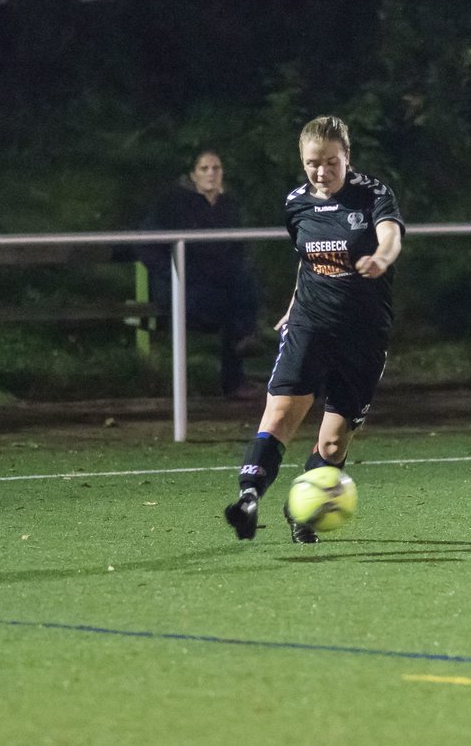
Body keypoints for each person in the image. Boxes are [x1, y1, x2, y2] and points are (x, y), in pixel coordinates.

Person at [224, 115, 404, 543]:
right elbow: (305, 262)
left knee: (333, 443)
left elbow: (392, 235)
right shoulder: (297, 203)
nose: (321, 172)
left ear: (347, 158)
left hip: (363, 332)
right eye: (312, 163)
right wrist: (292, 307)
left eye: (330, 162)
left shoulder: (373, 194)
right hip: (310, 323)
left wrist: (382, 257)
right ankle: (248, 496)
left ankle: (300, 510)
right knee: (282, 411)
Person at [141, 150, 260, 399]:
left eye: (216, 168)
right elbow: (147, 245)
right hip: (181, 283)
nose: (211, 174)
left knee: (242, 288)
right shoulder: (172, 204)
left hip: (219, 283)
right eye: (204, 169)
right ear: (193, 174)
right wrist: (170, 273)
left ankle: (238, 367)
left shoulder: (229, 205)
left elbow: (239, 247)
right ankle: (240, 348)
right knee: (228, 307)